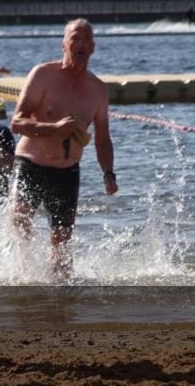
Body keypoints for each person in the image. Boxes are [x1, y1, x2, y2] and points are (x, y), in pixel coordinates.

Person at [9, 19, 117, 279]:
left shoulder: (98, 90)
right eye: (75, 39)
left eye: (86, 39)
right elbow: (16, 123)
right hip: (31, 164)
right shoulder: (43, 75)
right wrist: (54, 129)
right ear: (64, 44)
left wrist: (109, 174)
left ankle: (60, 293)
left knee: (62, 239)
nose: (80, 44)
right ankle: (21, 279)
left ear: (93, 47)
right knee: (20, 223)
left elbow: (102, 139)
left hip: (68, 171)